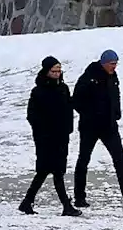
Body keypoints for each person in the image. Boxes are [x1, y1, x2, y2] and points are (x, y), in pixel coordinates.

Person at [73, 50, 123, 208]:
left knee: (120, 160)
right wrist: (89, 115)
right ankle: (79, 198)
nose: (114, 67)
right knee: (83, 160)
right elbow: (76, 100)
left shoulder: (113, 77)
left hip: (109, 126)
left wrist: (116, 113)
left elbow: (116, 95)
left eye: (116, 64)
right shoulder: (89, 77)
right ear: (104, 63)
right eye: (112, 64)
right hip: (90, 127)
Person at [19, 56, 82, 217]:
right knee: (54, 170)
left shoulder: (63, 89)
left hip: (61, 136)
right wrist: (42, 131)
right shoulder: (38, 91)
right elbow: (32, 115)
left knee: (48, 170)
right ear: (46, 71)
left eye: (59, 71)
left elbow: (69, 108)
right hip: (45, 138)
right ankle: (66, 205)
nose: (57, 74)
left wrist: (68, 128)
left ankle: (27, 201)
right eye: (54, 71)